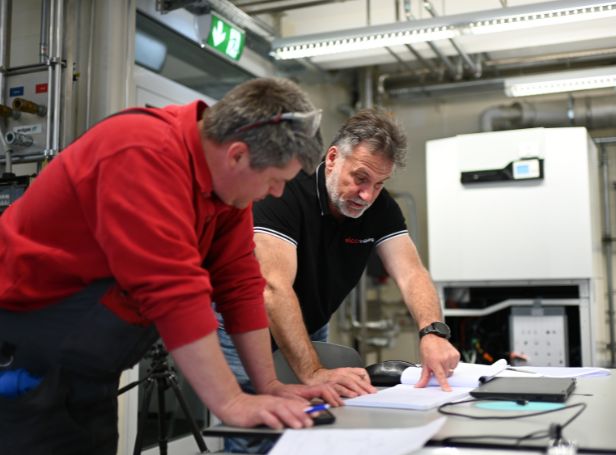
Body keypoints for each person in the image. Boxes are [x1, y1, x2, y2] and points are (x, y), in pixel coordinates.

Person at [0, 78, 343, 455]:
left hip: (88, 367)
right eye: (276, 180)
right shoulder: (141, 152)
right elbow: (174, 290)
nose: (276, 193)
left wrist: (269, 386)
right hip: (21, 353)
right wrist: (231, 402)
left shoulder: (227, 195)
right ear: (237, 155)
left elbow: (240, 285)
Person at [218, 107, 460, 450]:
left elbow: (411, 272)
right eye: (360, 178)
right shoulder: (286, 191)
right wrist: (313, 372)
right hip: (247, 323)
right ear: (332, 159)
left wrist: (432, 331)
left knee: (315, 425)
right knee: (258, 431)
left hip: (308, 323)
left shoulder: (380, 208)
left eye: (379, 184)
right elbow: (272, 288)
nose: (367, 195)